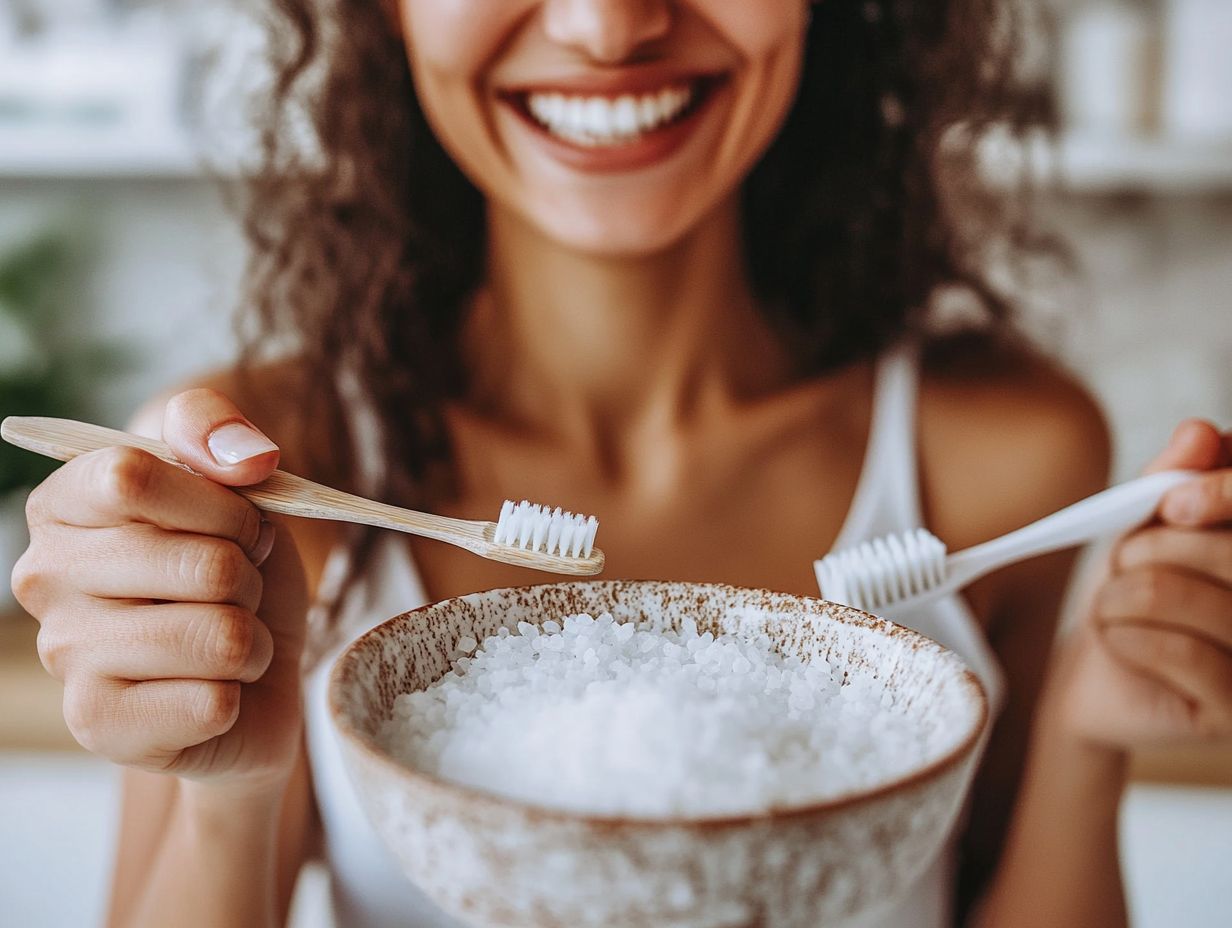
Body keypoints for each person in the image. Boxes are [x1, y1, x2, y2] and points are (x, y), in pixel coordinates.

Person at [12, 2, 1232, 926]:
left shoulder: (1004, 456)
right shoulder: (281, 476)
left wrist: (1087, 728)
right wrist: (233, 794)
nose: (609, 27)